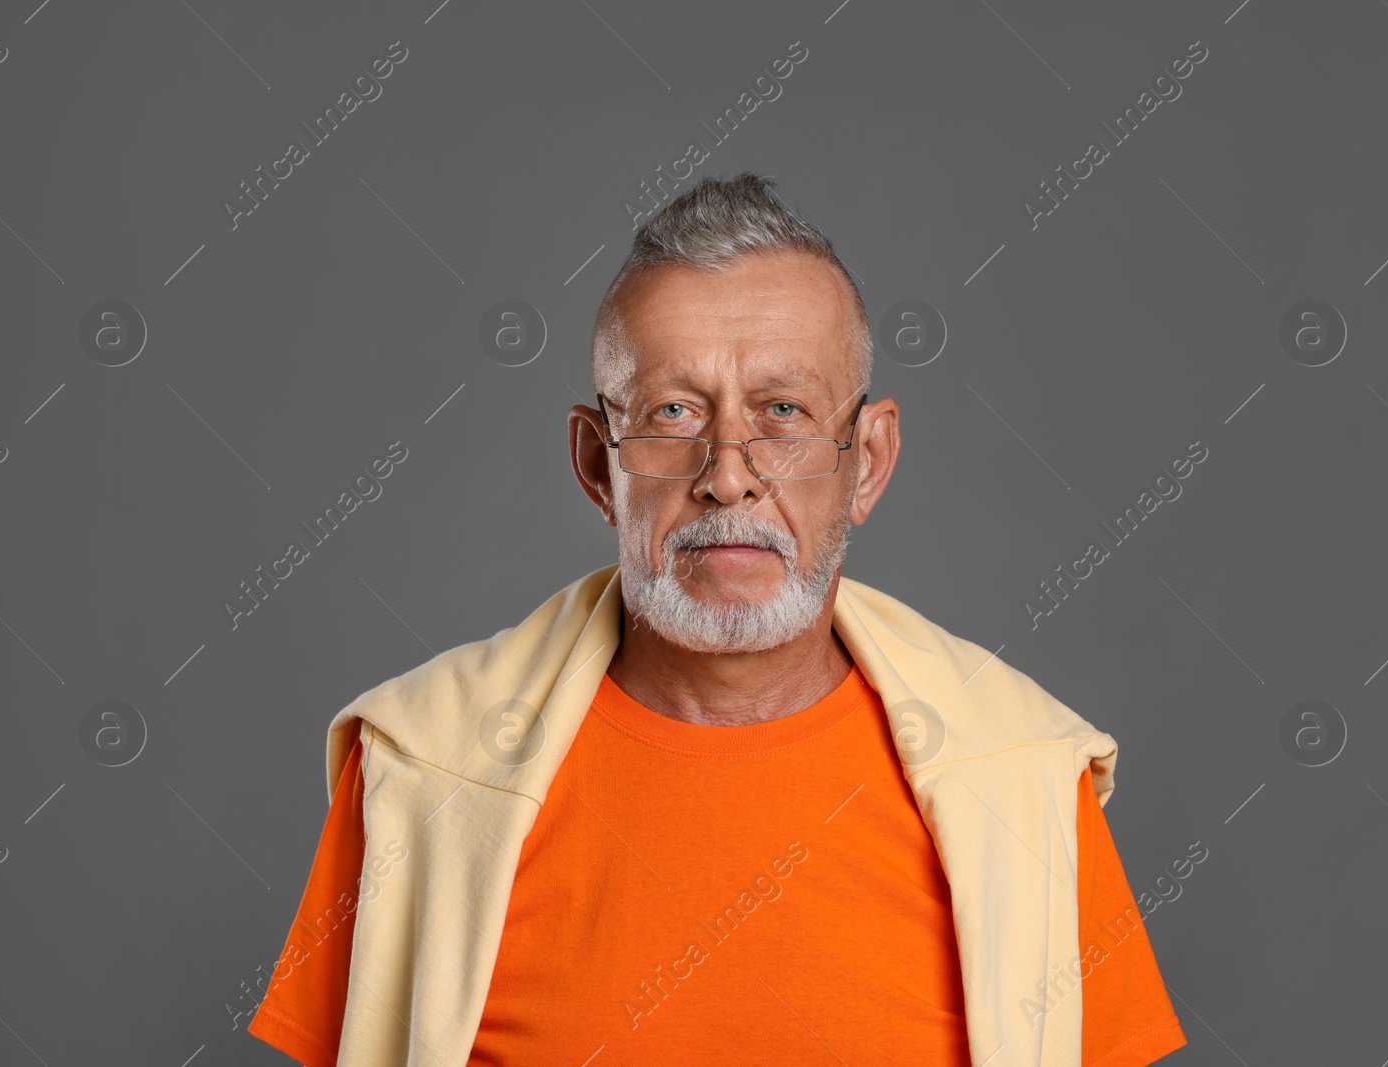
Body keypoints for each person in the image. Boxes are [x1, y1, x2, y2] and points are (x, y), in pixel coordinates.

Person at [247, 172, 1188, 1066]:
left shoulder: (1019, 774)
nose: (727, 474)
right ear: (594, 465)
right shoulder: (421, 768)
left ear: (866, 460)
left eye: (782, 411)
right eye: (670, 411)